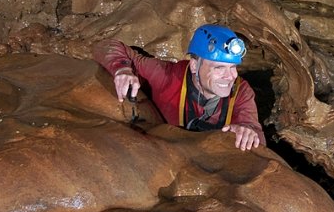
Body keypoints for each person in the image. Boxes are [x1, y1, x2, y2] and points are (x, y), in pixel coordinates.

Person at [94, 24, 265, 150]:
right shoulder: (168, 76)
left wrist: (248, 131)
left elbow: (255, 132)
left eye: (233, 67)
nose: (230, 76)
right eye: (219, 68)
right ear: (194, 66)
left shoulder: (240, 90)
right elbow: (106, 45)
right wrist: (122, 69)